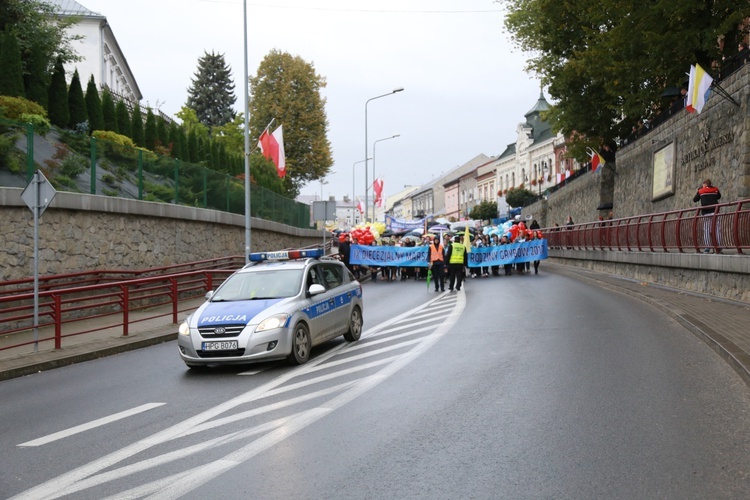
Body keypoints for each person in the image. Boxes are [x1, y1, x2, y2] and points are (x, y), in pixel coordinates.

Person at [693, 178, 722, 253]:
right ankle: (718, 246)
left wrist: (699, 191)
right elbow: (719, 197)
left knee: (706, 230)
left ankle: (707, 247)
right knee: (717, 229)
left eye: (703, 185)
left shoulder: (701, 191)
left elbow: (695, 199)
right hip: (715, 212)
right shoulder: (716, 189)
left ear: (705, 184)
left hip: (706, 213)